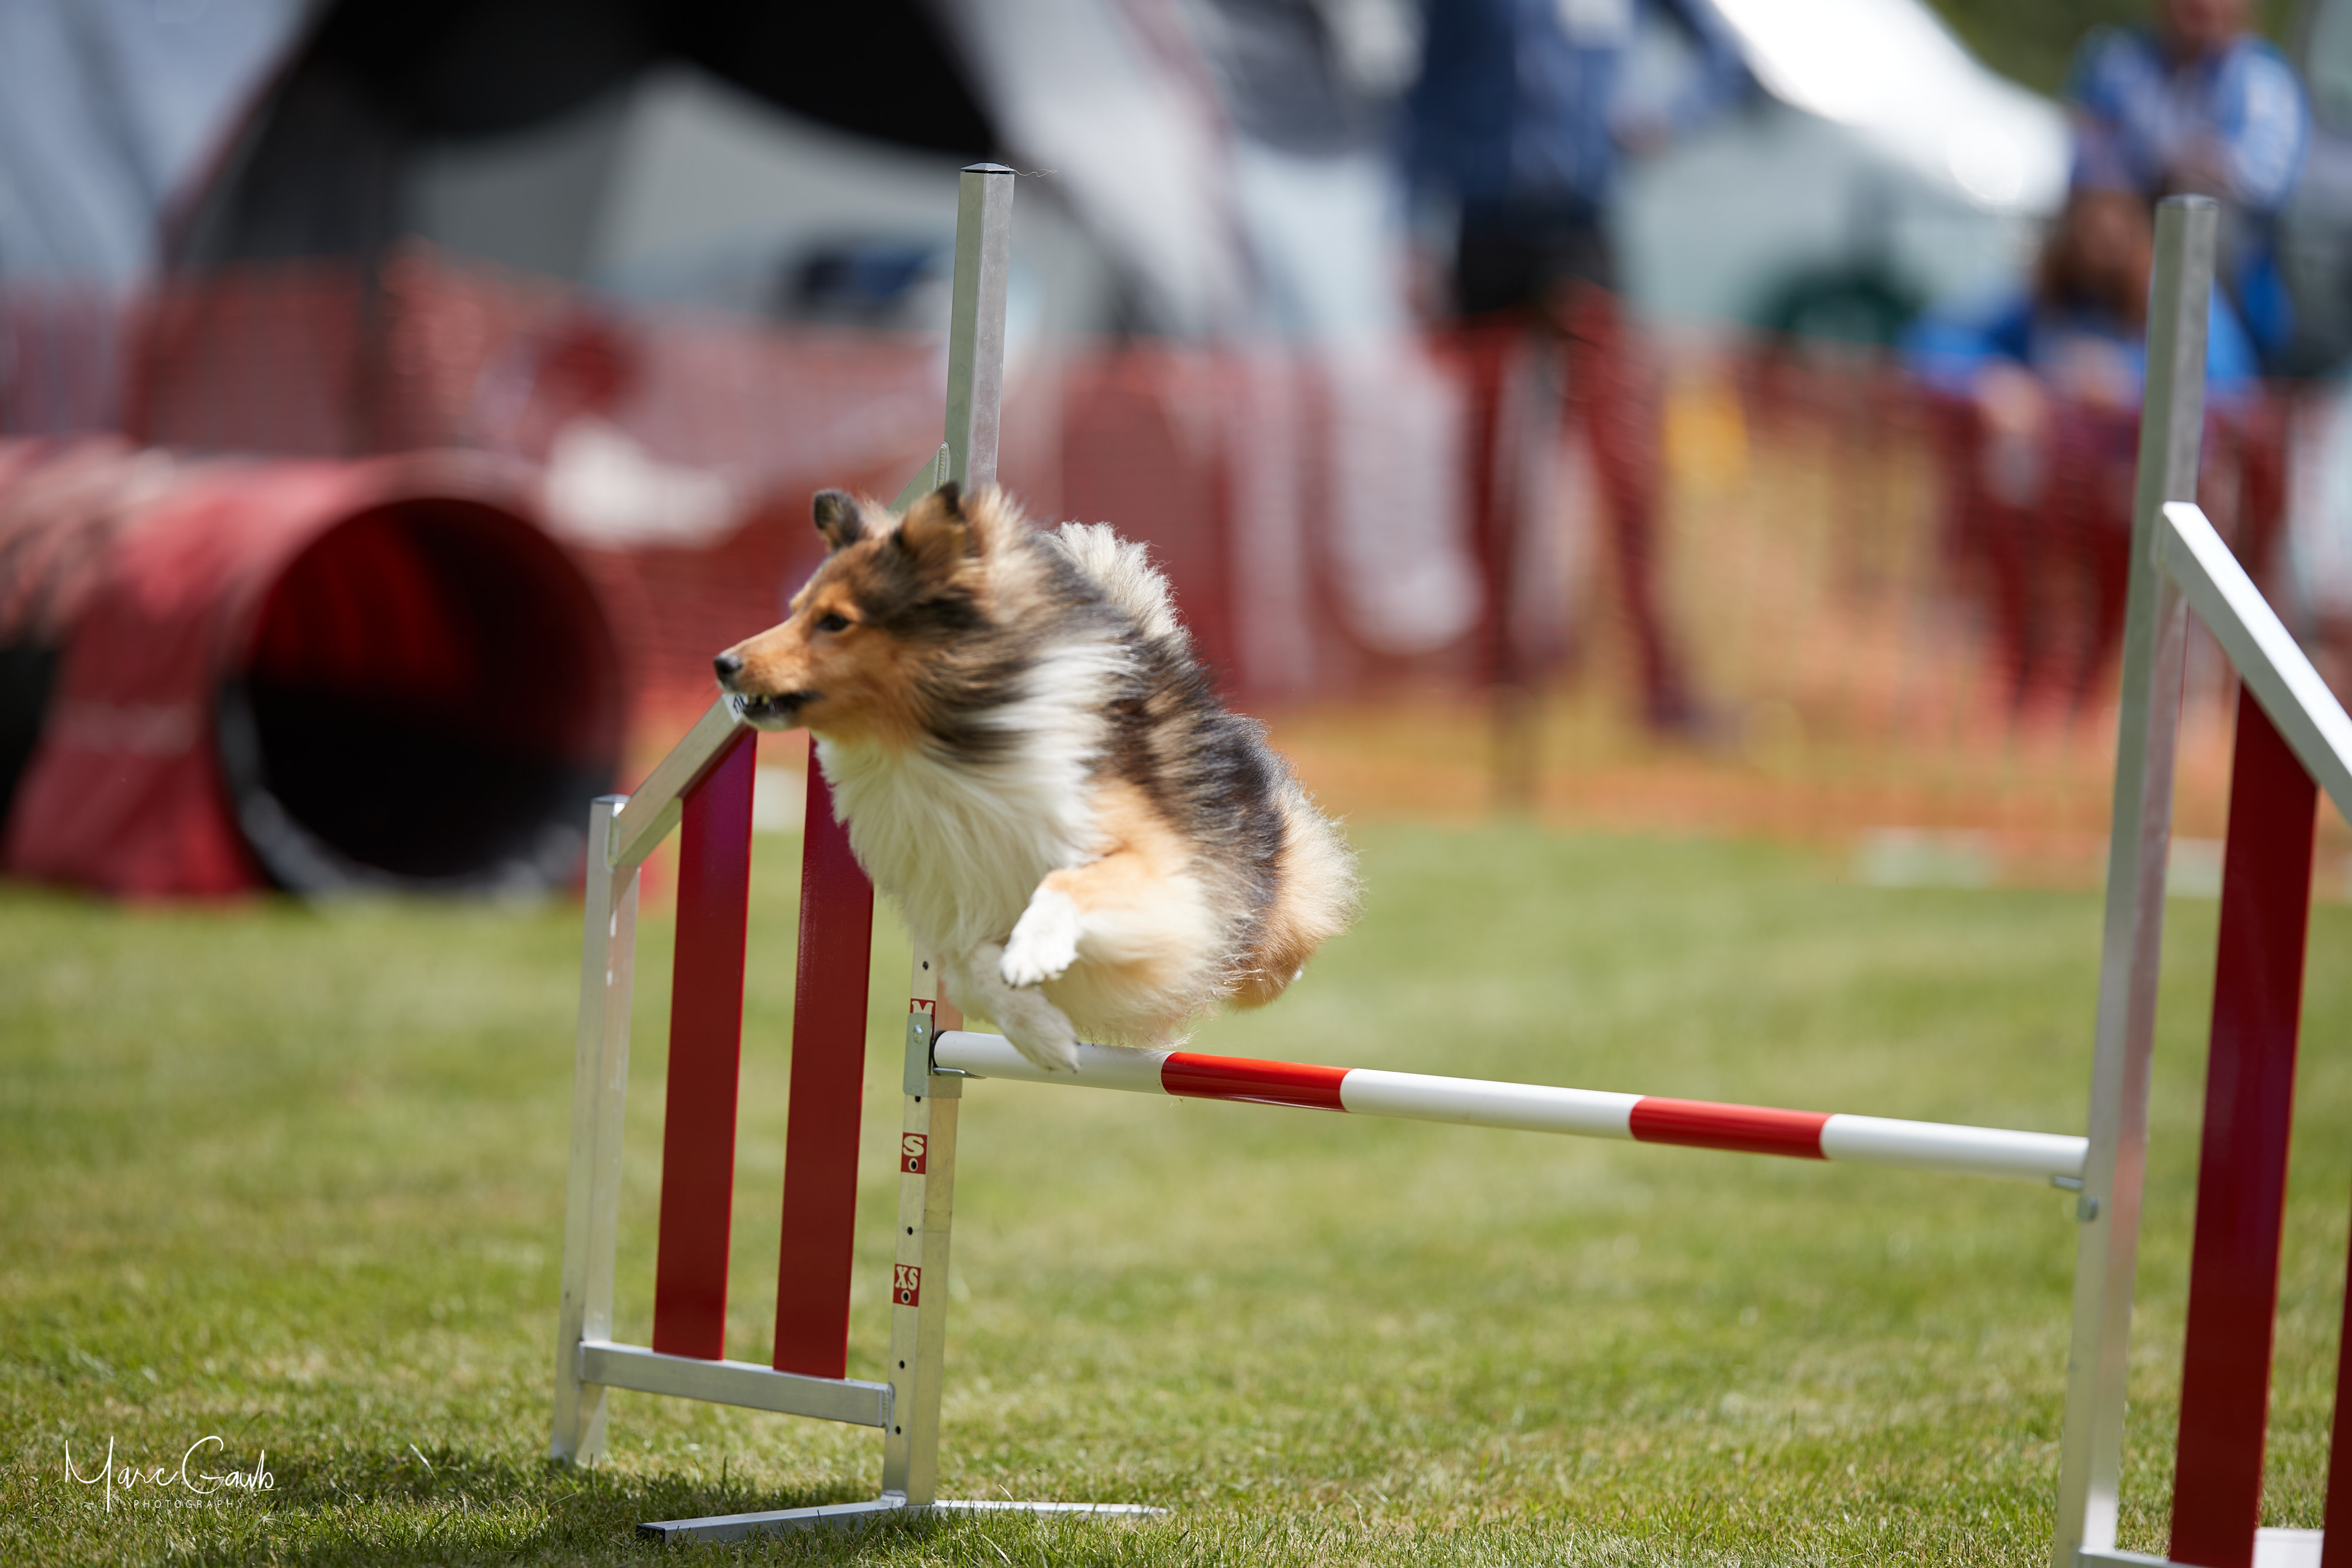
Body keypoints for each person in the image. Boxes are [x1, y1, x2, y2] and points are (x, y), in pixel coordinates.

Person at [1404, 0, 1746, 743]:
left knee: (1622, 463)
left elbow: (1725, 57)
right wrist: (1406, 228)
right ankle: (1493, 673)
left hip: (1579, 233)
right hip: (1482, 234)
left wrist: (1667, 116)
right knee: (1486, 466)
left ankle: (1658, 682)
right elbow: (1423, 92)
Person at [2066, 0, 2308, 363]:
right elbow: (2087, 158)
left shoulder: (2262, 77)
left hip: (2221, 274)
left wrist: (2174, 165)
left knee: (2198, 212)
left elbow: (2265, 181)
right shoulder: (2120, 60)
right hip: (2124, 241)